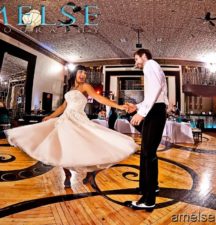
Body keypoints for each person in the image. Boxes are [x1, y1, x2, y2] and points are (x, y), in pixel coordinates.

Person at [5, 65, 137, 187]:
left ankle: (90, 173)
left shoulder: (86, 86)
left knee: (86, 146)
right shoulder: (69, 89)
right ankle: (67, 175)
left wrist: (119, 106)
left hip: (79, 120)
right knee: (64, 148)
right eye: (80, 72)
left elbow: (99, 98)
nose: (83, 75)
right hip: (65, 120)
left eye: (85, 73)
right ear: (75, 73)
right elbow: (63, 106)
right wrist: (51, 116)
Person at [126, 49, 168, 210]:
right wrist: (136, 107)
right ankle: (149, 187)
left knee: (147, 153)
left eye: (136, 58)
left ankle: (148, 200)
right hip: (155, 110)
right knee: (148, 153)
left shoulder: (150, 64)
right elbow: (152, 95)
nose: (135, 62)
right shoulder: (150, 68)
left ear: (144, 56)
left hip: (154, 112)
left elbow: (156, 90)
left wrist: (142, 113)